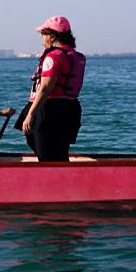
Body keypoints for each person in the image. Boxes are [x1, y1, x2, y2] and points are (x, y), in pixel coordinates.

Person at [17, 15, 85, 162]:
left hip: (49, 110)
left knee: (46, 153)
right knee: (59, 150)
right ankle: (62, 175)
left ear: (53, 36)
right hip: (70, 109)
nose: (42, 40)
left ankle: (53, 179)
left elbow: (45, 88)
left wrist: (30, 115)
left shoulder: (53, 57)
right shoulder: (77, 57)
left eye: (44, 35)